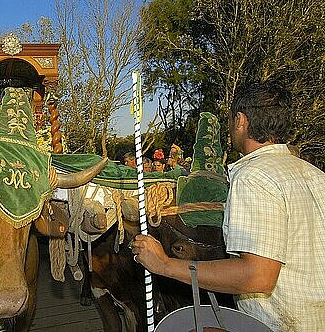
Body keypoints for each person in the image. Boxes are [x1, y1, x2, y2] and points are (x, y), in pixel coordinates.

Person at [132, 81, 325, 331]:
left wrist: (164, 264)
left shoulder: (253, 176)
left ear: (240, 121)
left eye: (231, 120)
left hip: (277, 325)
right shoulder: (316, 175)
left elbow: (259, 276)